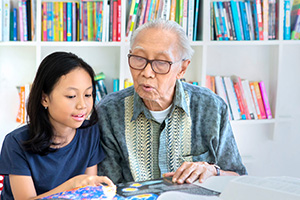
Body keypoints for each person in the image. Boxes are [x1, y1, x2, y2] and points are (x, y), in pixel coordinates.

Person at [97, 19, 247, 184]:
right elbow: (109, 187)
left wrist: (214, 171)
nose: (147, 73)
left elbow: (239, 178)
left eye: (161, 63)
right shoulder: (108, 112)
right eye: (139, 58)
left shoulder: (211, 107)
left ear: (182, 68)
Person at [0, 52, 115, 200]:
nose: (82, 105)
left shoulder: (90, 132)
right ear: (44, 98)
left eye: (88, 95)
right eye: (71, 96)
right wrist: (72, 185)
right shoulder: (16, 142)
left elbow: (88, 193)